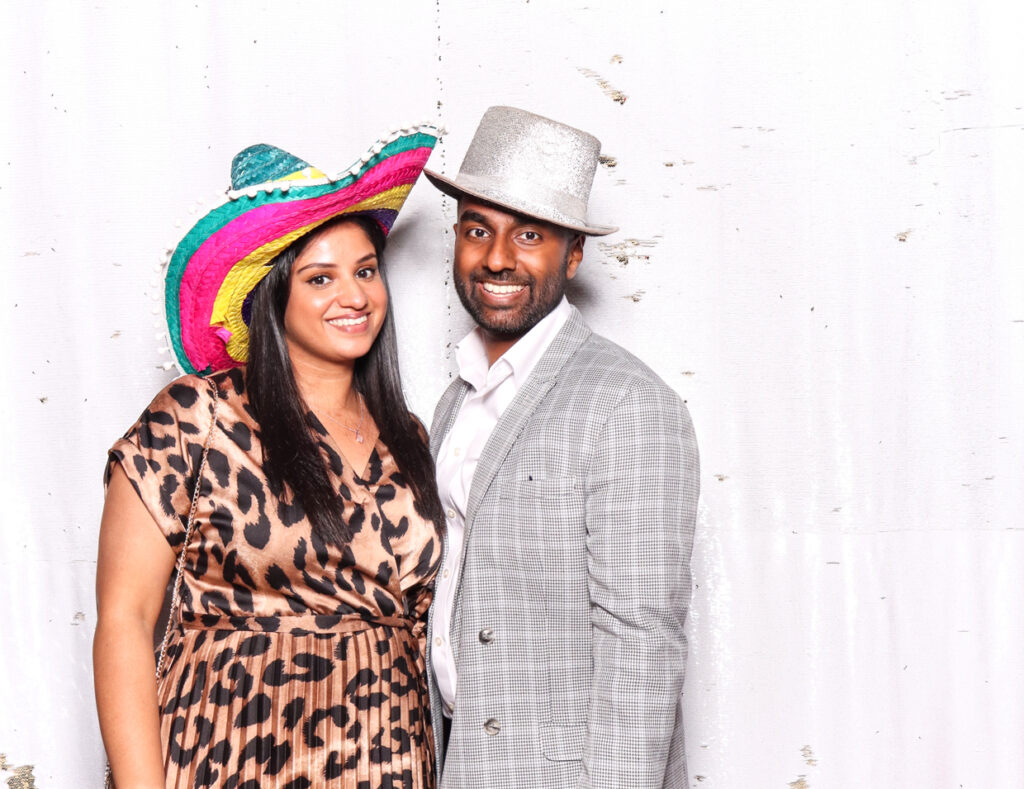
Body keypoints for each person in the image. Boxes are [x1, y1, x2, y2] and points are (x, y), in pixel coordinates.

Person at [94, 129, 445, 788]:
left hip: (389, 762)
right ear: (270, 297)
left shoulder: (412, 439)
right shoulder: (197, 418)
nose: (355, 296)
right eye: (320, 277)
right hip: (230, 757)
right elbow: (124, 620)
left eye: (366, 270)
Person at [421, 106, 700, 788]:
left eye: (530, 235)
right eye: (478, 230)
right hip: (462, 760)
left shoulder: (629, 404)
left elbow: (642, 642)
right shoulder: (454, 402)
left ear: (573, 255)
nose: (496, 258)